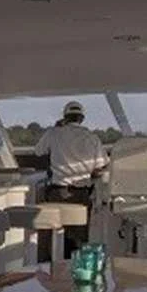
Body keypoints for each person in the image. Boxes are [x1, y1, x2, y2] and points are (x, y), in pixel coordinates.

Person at [33, 100, 108, 255]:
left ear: (65, 117)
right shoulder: (92, 138)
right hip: (82, 194)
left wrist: (56, 127)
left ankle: (53, 263)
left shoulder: (53, 133)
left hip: (58, 193)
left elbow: (38, 151)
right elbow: (101, 166)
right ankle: (75, 265)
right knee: (79, 238)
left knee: (54, 235)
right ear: (81, 118)